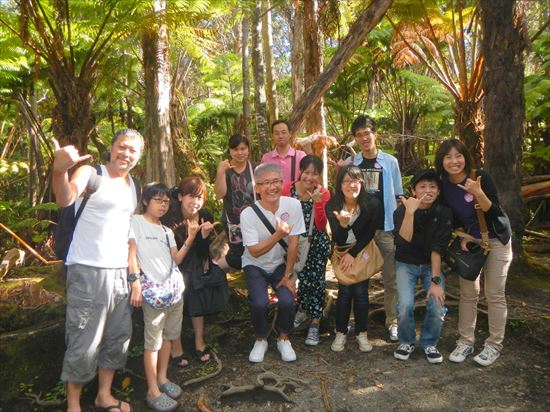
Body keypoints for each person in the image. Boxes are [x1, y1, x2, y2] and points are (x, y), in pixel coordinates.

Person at [52, 129, 144, 412]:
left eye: (132, 151)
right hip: (87, 269)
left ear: (138, 157)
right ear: (112, 147)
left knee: (118, 337)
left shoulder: (134, 186)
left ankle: (104, 395)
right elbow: (65, 198)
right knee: (83, 338)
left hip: (119, 273)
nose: (126, 154)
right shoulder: (91, 173)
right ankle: (73, 405)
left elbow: (130, 236)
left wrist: (134, 278)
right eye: (122, 147)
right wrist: (59, 169)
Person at [435, 139, 513, 366]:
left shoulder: (480, 177)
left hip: (497, 239)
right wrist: (461, 235)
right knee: (468, 293)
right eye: (448, 157)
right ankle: (465, 341)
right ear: (442, 161)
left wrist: (478, 192)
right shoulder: (443, 185)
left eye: (458, 156)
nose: (453, 161)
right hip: (472, 243)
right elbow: (451, 219)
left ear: (465, 157)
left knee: (494, 294)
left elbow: (495, 211)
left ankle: (493, 345)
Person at [341, 115, 404, 341]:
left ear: (375, 134)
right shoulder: (352, 164)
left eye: (367, 133)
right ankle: (349, 321)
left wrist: (399, 227)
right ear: (355, 139)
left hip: (385, 228)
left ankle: (392, 321)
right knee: (354, 276)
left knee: (391, 278)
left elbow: (399, 196)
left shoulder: (390, 162)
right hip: (358, 230)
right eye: (359, 135)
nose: (364, 138)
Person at [128, 183, 187, 411]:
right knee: (152, 343)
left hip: (173, 292)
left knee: (170, 337)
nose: (163, 205)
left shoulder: (167, 231)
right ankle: (152, 390)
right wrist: (135, 283)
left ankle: (162, 379)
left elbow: (177, 259)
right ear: (145, 201)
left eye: (166, 201)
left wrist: (190, 238)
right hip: (152, 292)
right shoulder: (135, 223)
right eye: (158, 200)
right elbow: (131, 253)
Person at [240, 163, 306, 362]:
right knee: (259, 303)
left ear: (282, 183)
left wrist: (288, 275)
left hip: (280, 263)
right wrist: (278, 235)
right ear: (257, 188)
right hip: (254, 264)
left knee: (288, 300)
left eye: (276, 181)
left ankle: (283, 338)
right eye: (266, 183)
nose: (272, 187)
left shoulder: (292, 205)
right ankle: (261, 338)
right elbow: (254, 251)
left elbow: (294, 242)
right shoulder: (248, 214)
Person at [161, 177, 223, 366]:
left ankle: (199, 341)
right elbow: (171, 254)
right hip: (172, 263)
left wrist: (203, 237)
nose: (196, 202)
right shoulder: (170, 216)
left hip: (196, 263)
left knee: (196, 286)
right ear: (180, 197)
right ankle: (176, 346)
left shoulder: (205, 215)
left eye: (200, 197)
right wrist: (190, 236)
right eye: (191, 196)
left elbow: (203, 252)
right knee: (178, 293)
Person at [392, 169, 452, 364]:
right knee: (405, 305)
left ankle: (429, 343)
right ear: (414, 190)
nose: (428, 190)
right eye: (423, 186)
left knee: (437, 304)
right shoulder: (401, 211)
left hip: (430, 264)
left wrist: (435, 281)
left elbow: (437, 250)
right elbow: (404, 241)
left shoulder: (443, 212)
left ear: (439, 191)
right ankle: (406, 341)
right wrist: (410, 212)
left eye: (433, 187)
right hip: (405, 263)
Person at [326, 165, 382, 353]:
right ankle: (340, 331)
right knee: (344, 293)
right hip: (342, 251)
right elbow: (338, 237)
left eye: (355, 180)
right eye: (347, 181)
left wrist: (353, 253)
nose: (352, 185)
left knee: (361, 292)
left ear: (362, 183)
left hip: (362, 249)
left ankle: (362, 333)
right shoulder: (332, 205)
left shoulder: (372, 203)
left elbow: (369, 234)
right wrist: (343, 225)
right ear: (340, 185)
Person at [282, 155, 331, 346]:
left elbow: (321, 225)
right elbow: (282, 216)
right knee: (297, 276)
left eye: (315, 174)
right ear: (300, 172)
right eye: (307, 172)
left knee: (316, 281)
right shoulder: (288, 189)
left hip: (316, 241)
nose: (310, 178)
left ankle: (315, 322)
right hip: (293, 242)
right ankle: (302, 310)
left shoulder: (323, 193)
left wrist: (318, 203)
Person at [214, 134, 257, 272]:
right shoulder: (225, 170)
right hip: (233, 222)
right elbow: (220, 194)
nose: (240, 153)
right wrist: (220, 172)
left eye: (243, 148)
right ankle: (216, 268)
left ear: (248, 149)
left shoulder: (255, 168)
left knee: (255, 251)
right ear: (230, 150)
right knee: (238, 255)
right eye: (236, 149)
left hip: (255, 221)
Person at [261, 120, 307, 184]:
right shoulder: (266, 158)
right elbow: (263, 181)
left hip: (295, 193)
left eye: (283, 132)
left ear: (290, 134)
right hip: (273, 193)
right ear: (272, 136)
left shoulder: (301, 156)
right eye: (277, 133)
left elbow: (308, 179)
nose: (280, 136)